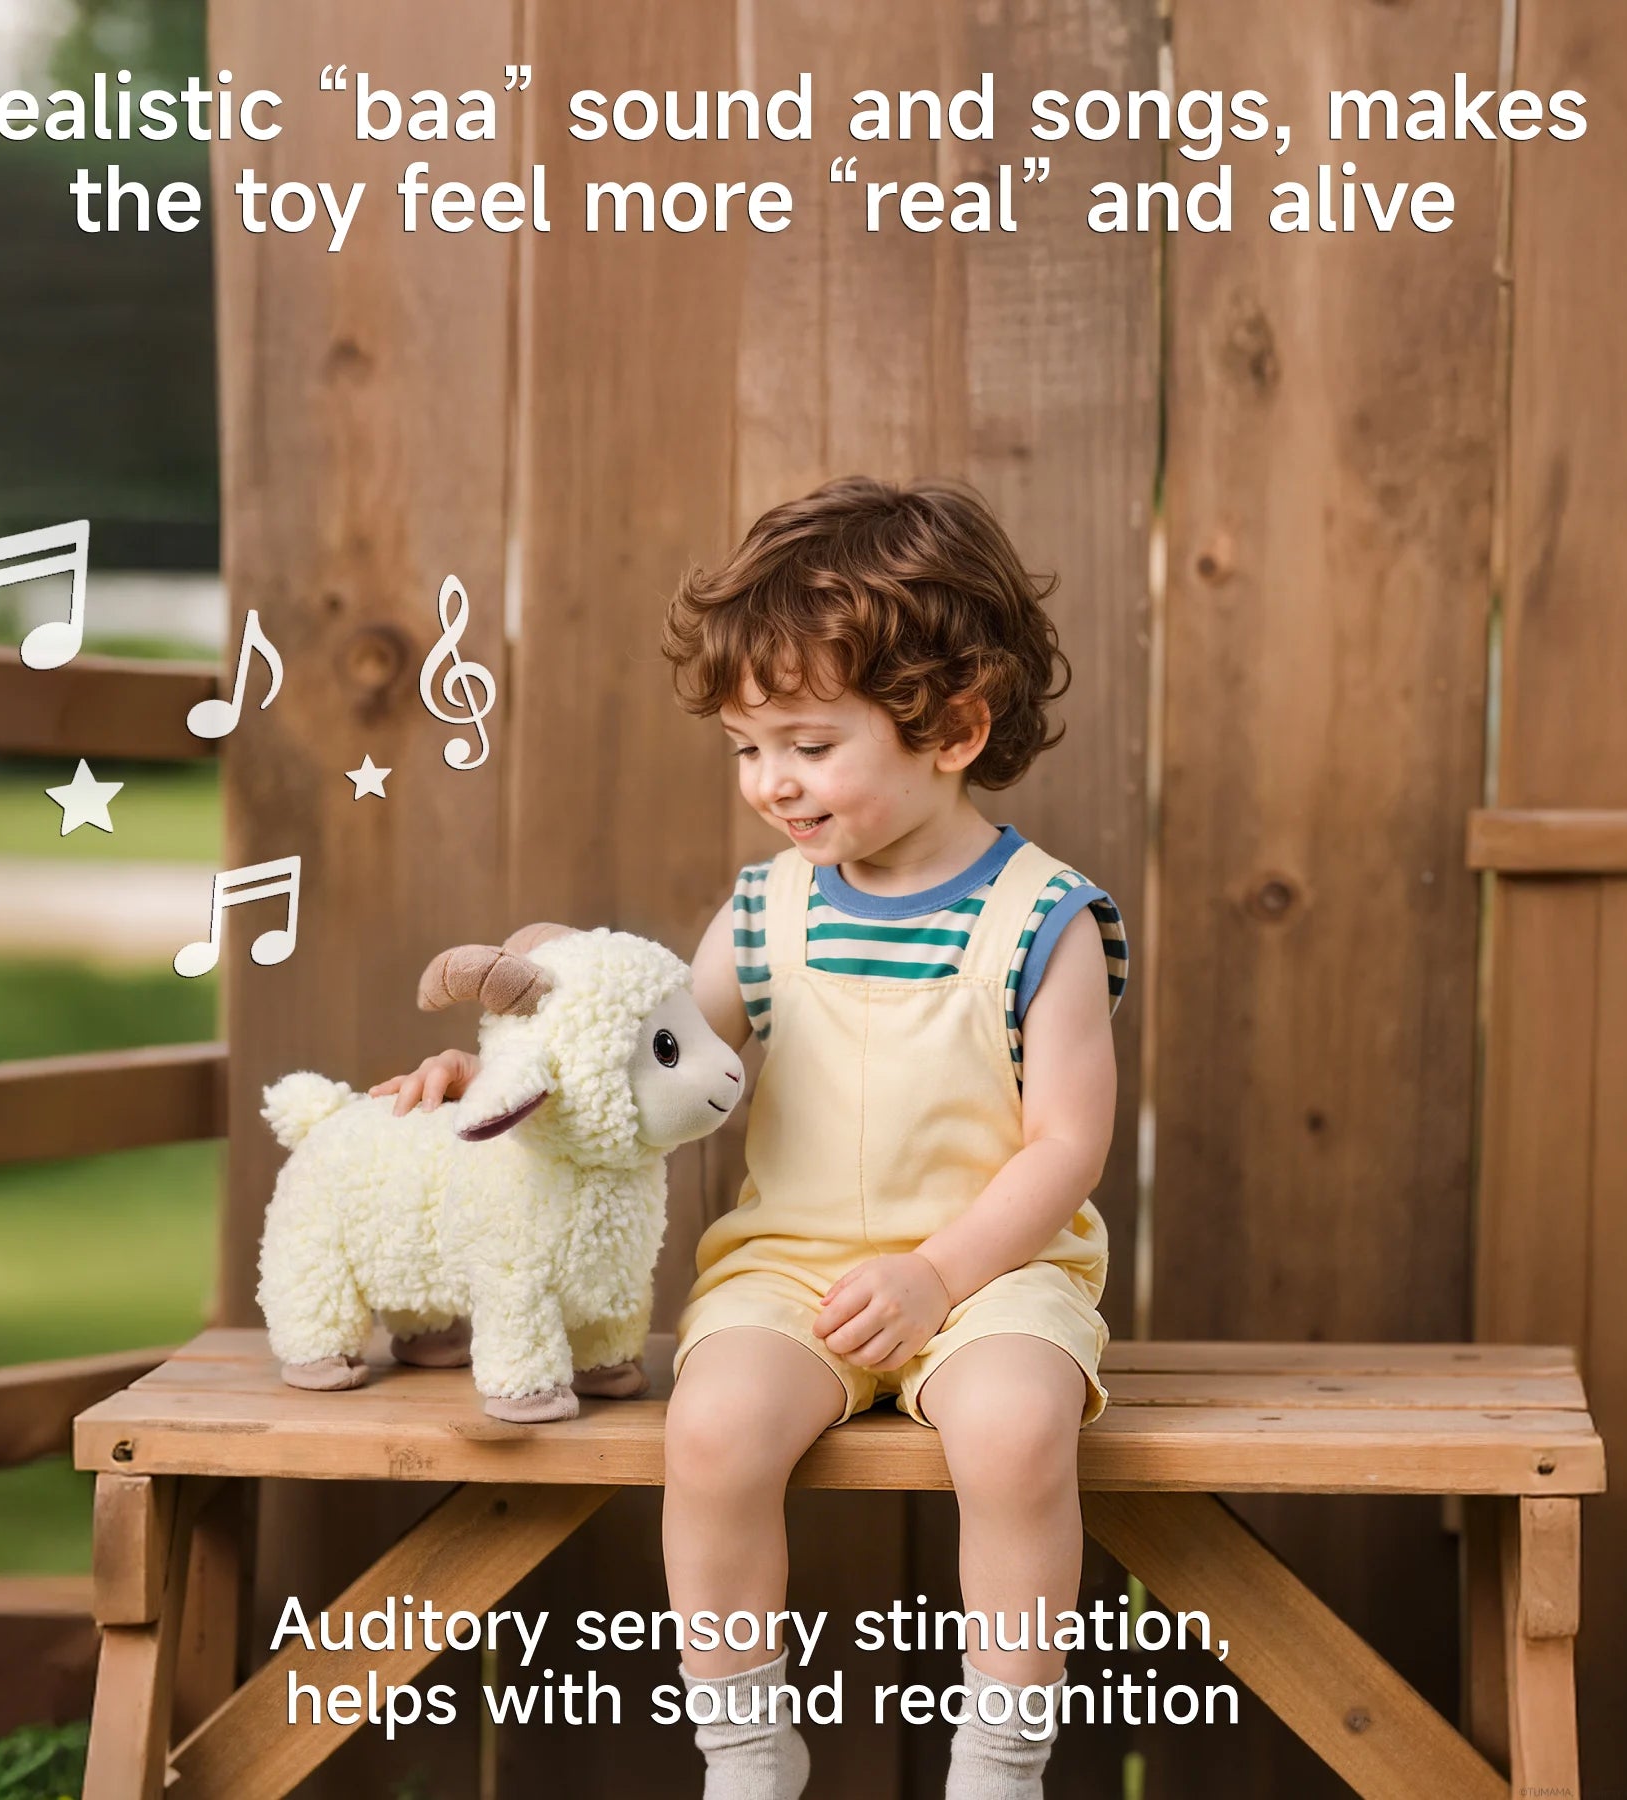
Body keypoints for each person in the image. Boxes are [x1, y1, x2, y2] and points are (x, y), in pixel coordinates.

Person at [373, 476, 1127, 1798]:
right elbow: (642, 1058)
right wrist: (501, 1070)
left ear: (952, 727)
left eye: (807, 744)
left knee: (1013, 1432)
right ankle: (747, 1751)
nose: (771, 781)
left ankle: (1002, 1762)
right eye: (745, 748)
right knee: (712, 1432)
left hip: (994, 1277)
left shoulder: (1041, 919)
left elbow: (1067, 1141)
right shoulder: (769, 912)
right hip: (790, 1269)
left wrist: (938, 1277)